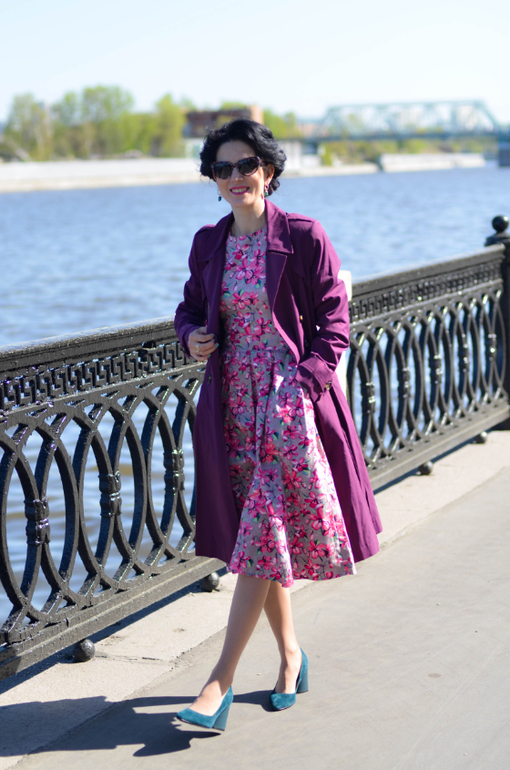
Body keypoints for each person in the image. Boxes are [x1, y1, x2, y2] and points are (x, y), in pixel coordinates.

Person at [174, 119, 382, 731]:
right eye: (223, 168)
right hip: (232, 405)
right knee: (262, 537)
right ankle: (291, 657)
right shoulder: (208, 243)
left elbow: (334, 323)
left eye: (246, 165)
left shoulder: (303, 236)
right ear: (213, 180)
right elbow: (189, 308)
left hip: (288, 407)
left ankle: (218, 683)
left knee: (261, 534)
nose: (236, 177)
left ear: (267, 171)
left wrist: (305, 384)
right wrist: (192, 336)